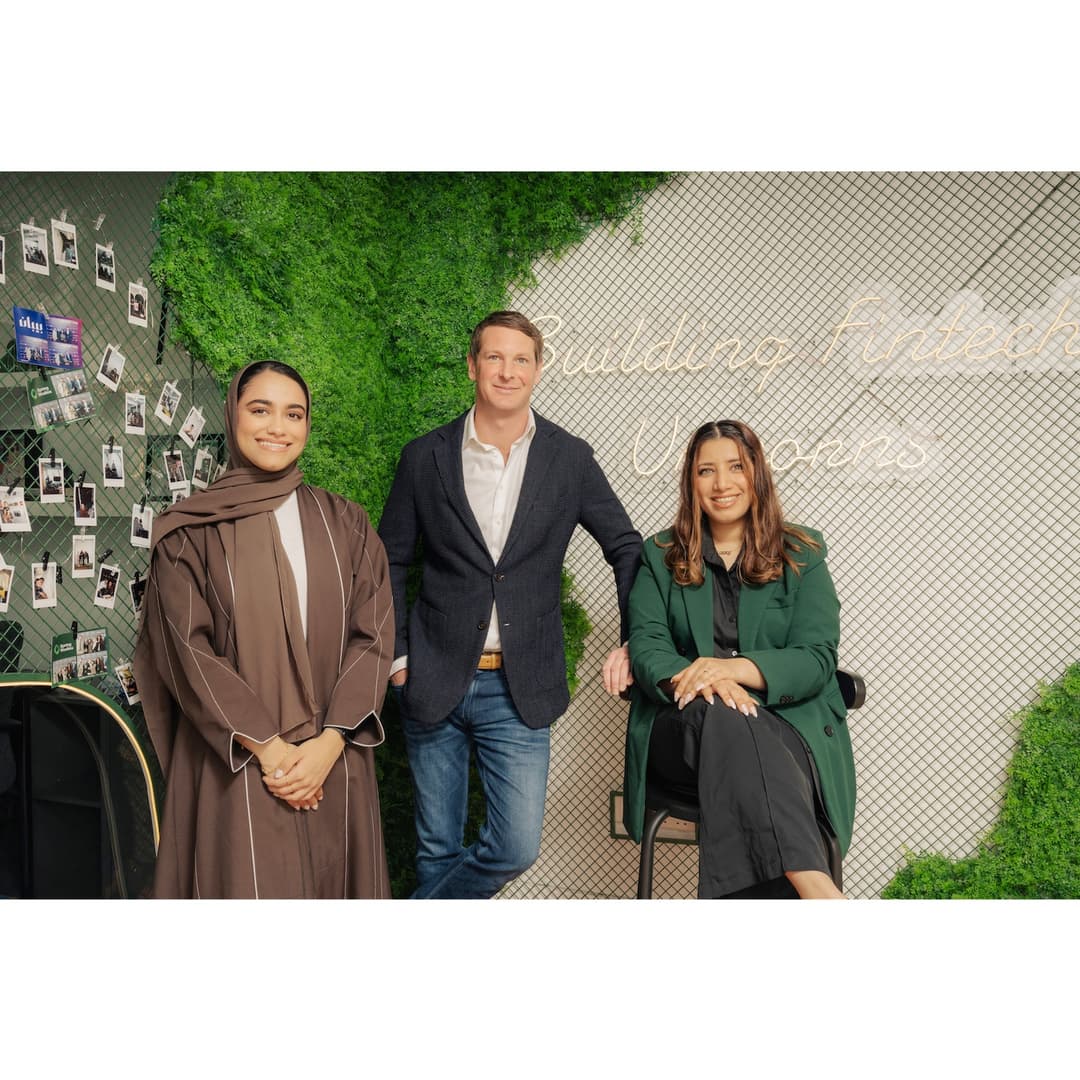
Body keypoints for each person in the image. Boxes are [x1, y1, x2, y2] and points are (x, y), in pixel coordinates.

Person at [379, 310, 642, 899]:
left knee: (515, 847)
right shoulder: (425, 457)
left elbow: (625, 547)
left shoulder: (569, 458)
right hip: (432, 675)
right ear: (472, 366)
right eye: (494, 357)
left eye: (521, 359)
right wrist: (398, 658)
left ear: (538, 370)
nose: (507, 371)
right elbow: (389, 559)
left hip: (519, 686)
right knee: (436, 848)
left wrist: (633, 639)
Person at [134, 360, 394, 898]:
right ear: (233, 415)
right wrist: (273, 753)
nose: (278, 427)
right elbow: (188, 651)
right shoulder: (188, 532)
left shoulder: (345, 522)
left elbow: (373, 635)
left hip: (333, 760)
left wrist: (328, 745)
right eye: (261, 410)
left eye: (293, 414)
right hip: (239, 762)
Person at [623, 420, 856, 899]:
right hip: (686, 729)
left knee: (743, 740)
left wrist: (730, 669)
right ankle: (816, 887)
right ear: (691, 482)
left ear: (757, 474)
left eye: (735, 467)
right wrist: (704, 681)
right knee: (722, 712)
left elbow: (816, 657)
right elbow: (647, 646)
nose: (722, 484)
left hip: (784, 728)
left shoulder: (802, 553)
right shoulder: (660, 555)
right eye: (706, 471)